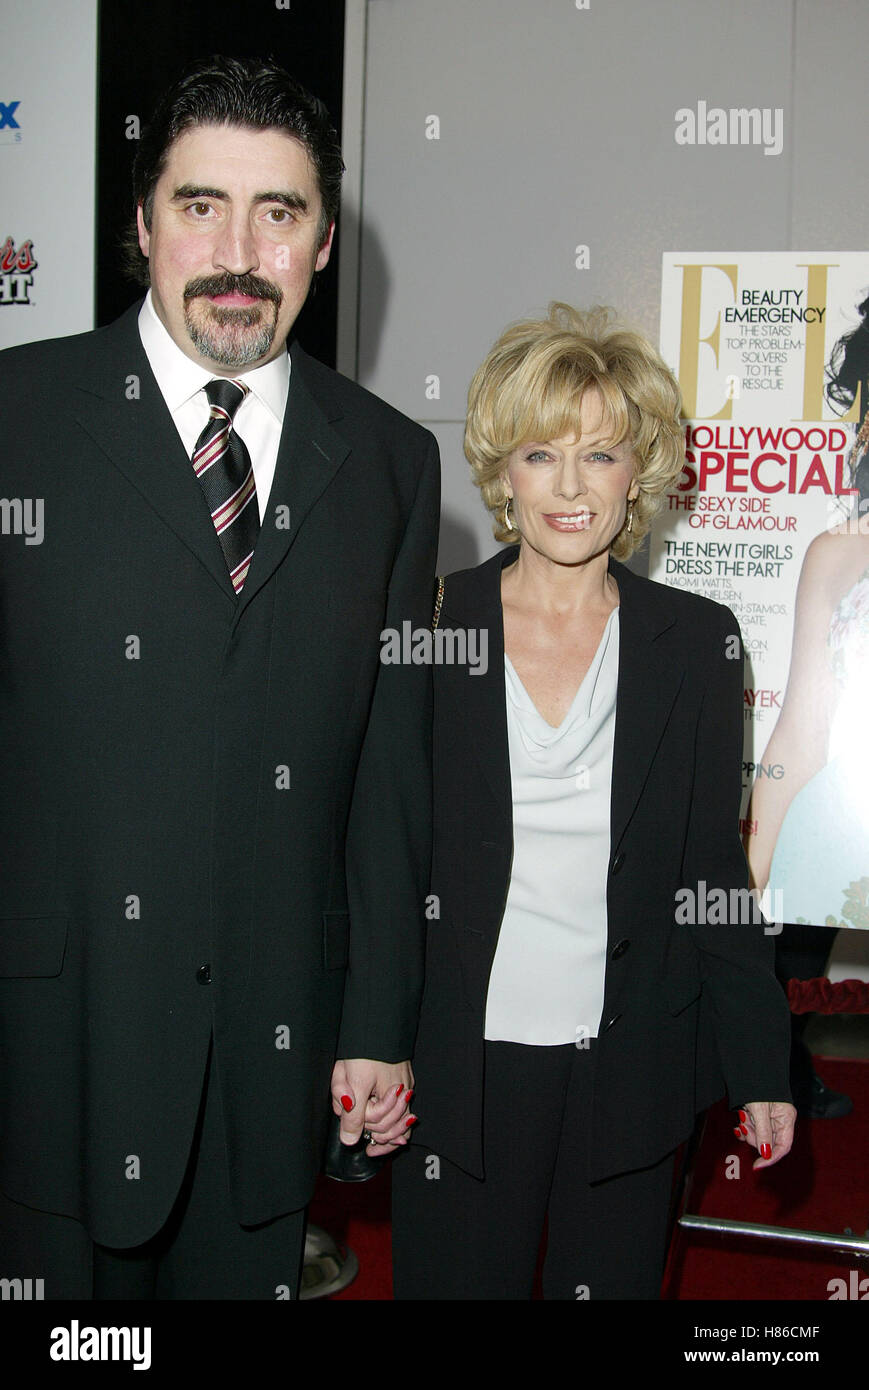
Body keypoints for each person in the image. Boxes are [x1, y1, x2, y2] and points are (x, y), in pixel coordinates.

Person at [0, 55, 437, 1299]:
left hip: (271, 1057)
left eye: (278, 212)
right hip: (49, 1047)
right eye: (201, 206)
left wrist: (375, 1026)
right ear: (141, 227)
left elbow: (387, 777)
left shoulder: (393, 464)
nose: (237, 251)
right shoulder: (17, 416)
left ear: (323, 241)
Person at [390, 303, 795, 1300]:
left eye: (600, 455)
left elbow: (712, 866)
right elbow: (381, 853)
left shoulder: (697, 641)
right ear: (502, 469)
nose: (568, 487)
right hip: (459, 1067)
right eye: (539, 453)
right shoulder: (432, 623)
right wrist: (364, 1041)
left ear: (638, 475)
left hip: (632, 1067)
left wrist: (762, 1063)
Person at [745, 291, 869, 1117]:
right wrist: (746, 875)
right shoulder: (836, 553)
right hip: (838, 827)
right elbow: (802, 724)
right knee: (789, 959)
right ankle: (775, 1073)